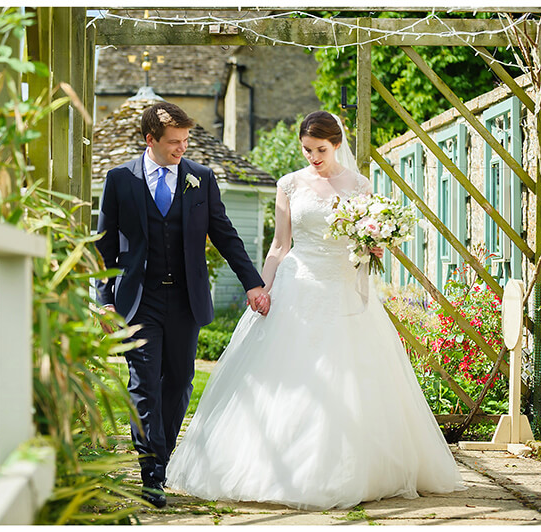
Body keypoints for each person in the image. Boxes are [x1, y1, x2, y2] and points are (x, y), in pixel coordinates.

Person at [165, 111, 466, 510]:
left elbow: (364, 237)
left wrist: (373, 245)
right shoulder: (289, 184)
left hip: (342, 289)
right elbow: (279, 245)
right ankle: (277, 466)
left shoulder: (359, 184)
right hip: (298, 286)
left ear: (337, 144)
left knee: (347, 377)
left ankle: (351, 467)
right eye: (307, 150)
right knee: (288, 376)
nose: (313, 157)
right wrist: (262, 288)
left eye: (320, 150)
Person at [94, 102, 270, 508]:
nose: (181, 148)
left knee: (177, 385)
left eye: (185, 141)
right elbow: (102, 248)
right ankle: (151, 473)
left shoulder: (200, 179)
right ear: (149, 140)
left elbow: (225, 235)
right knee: (143, 387)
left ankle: (164, 456)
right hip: (139, 301)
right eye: (174, 142)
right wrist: (104, 301)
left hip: (186, 300)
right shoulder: (119, 179)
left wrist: (253, 283)